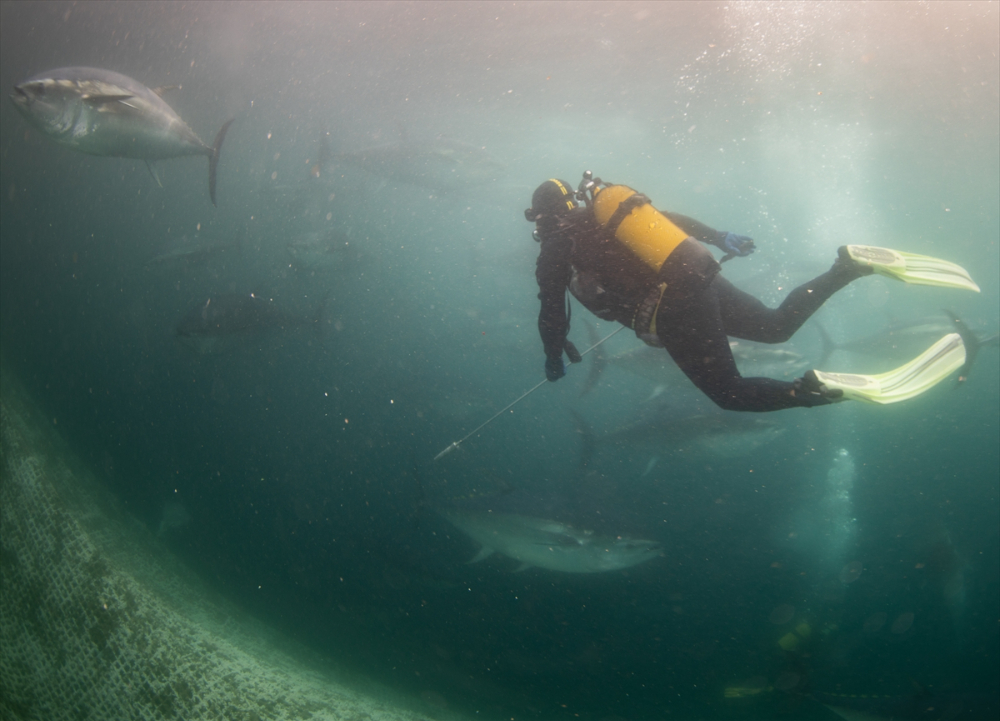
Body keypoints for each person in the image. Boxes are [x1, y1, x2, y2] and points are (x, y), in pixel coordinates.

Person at [526, 174, 975, 412]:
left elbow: (551, 308)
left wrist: (552, 353)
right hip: (697, 272)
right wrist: (720, 237)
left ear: (541, 216)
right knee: (775, 326)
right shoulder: (608, 215)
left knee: (730, 394)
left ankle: (807, 391)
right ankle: (847, 268)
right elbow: (670, 221)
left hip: (673, 304)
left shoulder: (555, 247)